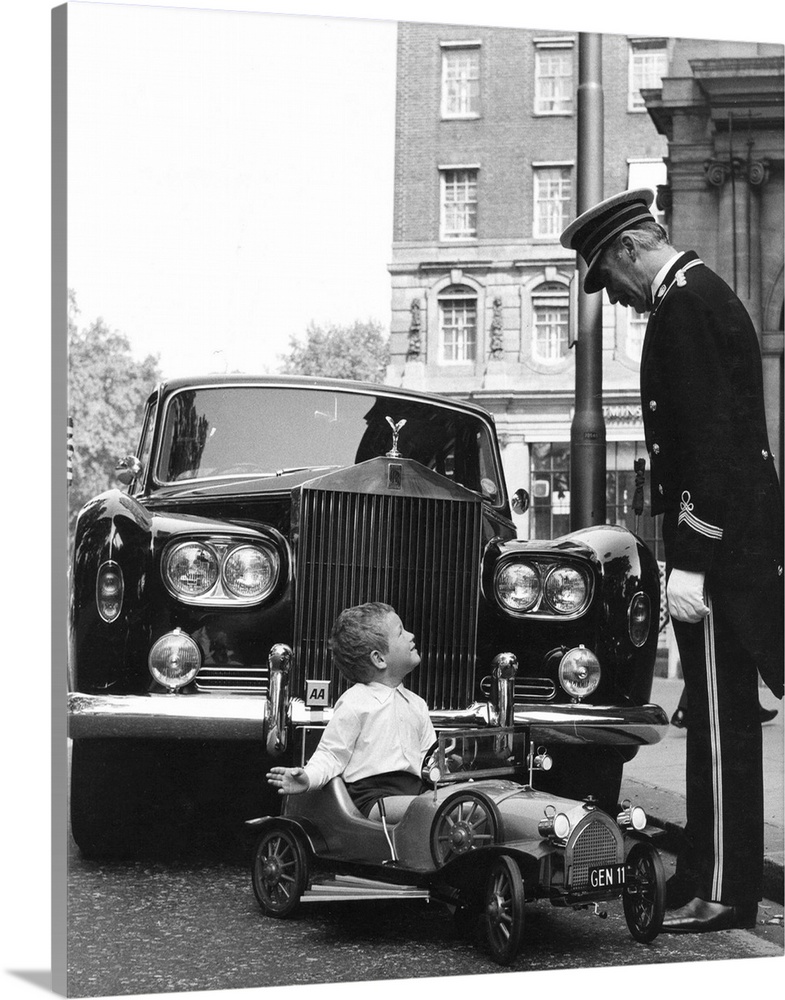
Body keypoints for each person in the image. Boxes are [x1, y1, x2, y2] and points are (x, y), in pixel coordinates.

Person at [560, 189, 783, 933]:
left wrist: (690, 558)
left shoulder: (684, 306)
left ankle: (719, 889)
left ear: (627, 248)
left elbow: (710, 448)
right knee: (719, 725)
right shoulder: (693, 296)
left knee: (721, 731)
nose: (615, 299)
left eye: (608, 279)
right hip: (727, 546)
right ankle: (706, 875)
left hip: (718, 556)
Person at [267, 602, 436, 822]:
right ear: (379, 659)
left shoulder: (417, 704)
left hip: (417, 792)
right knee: (441, 806)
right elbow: (331, 753)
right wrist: (307, 777)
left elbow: (429, 759)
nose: (411, 635)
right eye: (401, 632)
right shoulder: (356, 702)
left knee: (458, 798)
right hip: (376, 798)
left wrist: (445, 764)